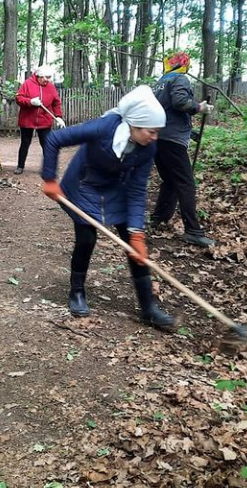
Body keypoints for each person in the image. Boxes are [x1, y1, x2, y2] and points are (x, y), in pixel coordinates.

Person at [41, 85, 175, 330]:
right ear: (134, 125)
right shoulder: (103, 128)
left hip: (117, 189)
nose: (155, 137)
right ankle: (77, 292)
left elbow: (137, 189)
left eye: (157, 132)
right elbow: (55, 139)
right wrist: (49, 178)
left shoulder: (149, 147)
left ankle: (148, 307)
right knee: (86, 239)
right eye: (151, 131)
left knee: (133, 247)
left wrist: (136, 233)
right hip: (84, 186)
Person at [149, 52, 216, 247]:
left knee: (170, 181)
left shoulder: (159, 83)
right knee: (186, 183)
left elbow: (166, 110)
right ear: (184, 65)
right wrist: (199, 107)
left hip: (157, 137)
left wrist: (190, 132)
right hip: (172, 139)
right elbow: (180, 102)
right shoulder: (179, 78)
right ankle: (193, 230)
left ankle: (159, 218)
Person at [14, 65, 64, 175]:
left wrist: (59, 116)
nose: (48, 80)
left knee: (47, 144)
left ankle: (48, 168)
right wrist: (30, 101)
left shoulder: (50, 87)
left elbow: (56, 102)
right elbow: (19, 98)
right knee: (25, 143)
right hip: (27, 120)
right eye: (46, 77)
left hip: (44, 121)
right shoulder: (27, 84)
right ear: (39, 76)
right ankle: (20, 166)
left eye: (49, 77)